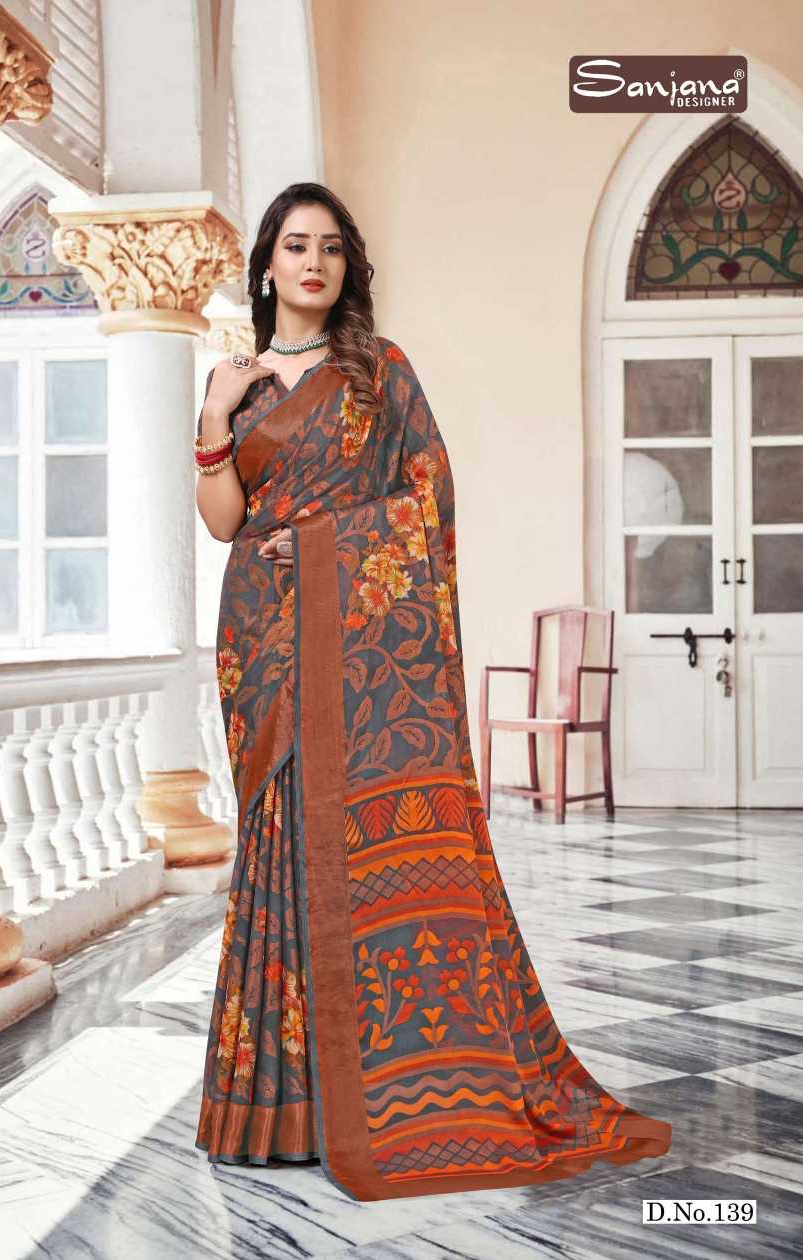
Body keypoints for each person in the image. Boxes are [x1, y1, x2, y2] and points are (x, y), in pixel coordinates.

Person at [192, 181, 671, 1202]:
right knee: (279, 843)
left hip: (356, 649)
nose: (312, 262)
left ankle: (369, 1102)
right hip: (262, 643)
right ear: (267, 264)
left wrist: (322, 546)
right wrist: (216, 415)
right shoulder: (238, 380)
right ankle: (277, 1111)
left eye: (330, 247)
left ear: (347, 266)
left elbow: (429, 503)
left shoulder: (380, 373)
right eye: (295, 245)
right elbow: (225, 521)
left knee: (350, 845)